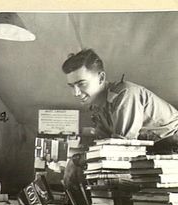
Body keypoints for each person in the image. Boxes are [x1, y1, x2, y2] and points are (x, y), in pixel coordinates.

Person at [61, 48, 178, 187]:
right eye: (71, 86)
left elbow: (121, 149)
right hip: (154, 156)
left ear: (101, 78)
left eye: (81, 84)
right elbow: (103, 145)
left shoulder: (124, 95)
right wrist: (75, 160)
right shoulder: (98, 107)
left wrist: (77, 160)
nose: (76, 93)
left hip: (171, 150)